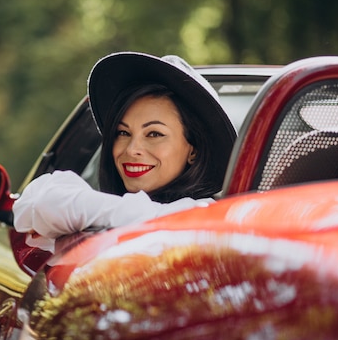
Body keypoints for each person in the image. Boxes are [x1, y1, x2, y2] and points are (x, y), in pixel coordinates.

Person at [13, 52, 237, 251]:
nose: (132, 150)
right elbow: (34, 203)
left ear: (194, 150)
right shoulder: (120, 207)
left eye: (154, 134)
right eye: (122, 133)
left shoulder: (205, 215)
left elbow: (46, 206)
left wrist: (85, 216)